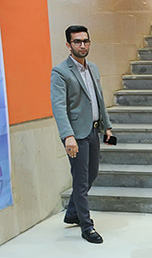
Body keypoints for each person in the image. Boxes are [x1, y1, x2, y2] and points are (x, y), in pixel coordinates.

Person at [51, 25, 113, 244]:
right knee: (80, 179)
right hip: (76, 134)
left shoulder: (93, 68)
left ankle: (72, 212)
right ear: (69, 45)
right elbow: (59, 107)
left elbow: (99, 99)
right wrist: (67, 135)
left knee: (91, 174)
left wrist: (107, 126)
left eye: (85, 41)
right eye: (77, 41)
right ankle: (86, 226)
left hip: (93, 130)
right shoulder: (60, 72)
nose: (82, 45)